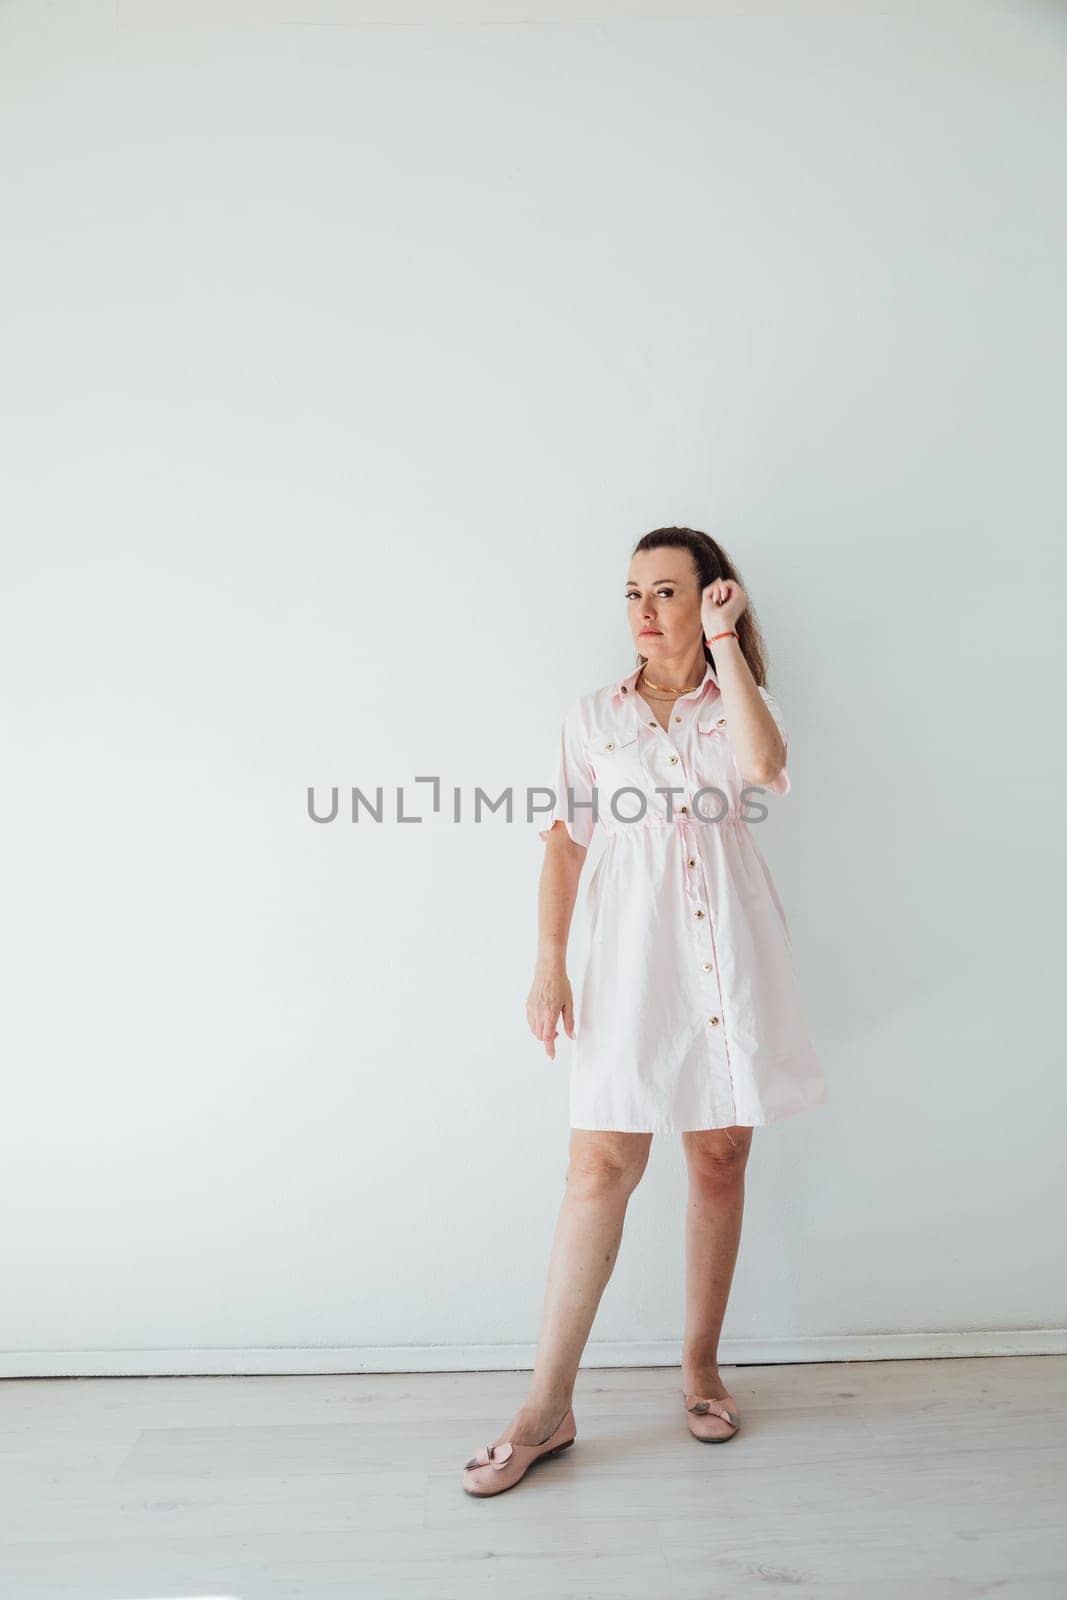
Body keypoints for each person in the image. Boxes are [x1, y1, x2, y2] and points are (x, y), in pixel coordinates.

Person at [461, 526, 828, 1499]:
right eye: (631, 591)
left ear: (715, 597)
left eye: (666, 590)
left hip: (725, 953)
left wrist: (722, 652)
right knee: (598, 1165)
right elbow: (564, 845)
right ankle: (545, 1404)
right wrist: (548, 964)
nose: (641, 609)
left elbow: (759, 766)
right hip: (625, 958)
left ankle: (699, 1366)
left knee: (717, 1154)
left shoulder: (731, 700)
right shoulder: (592, 717)